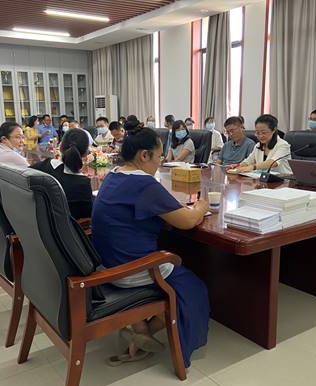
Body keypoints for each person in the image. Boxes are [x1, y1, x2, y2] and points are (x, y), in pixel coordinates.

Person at [91, 123, 210, 367]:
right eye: (158, 157)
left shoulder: (113, 175)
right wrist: (202, 206)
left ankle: (140, 330)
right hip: (131, 269)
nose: (160, 162)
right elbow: (188, 221)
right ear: (144, 155)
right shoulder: (144, 184)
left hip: (107, 263)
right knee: (195, 289)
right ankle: (147, 333)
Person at [31, 128, 93, 219]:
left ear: (60, 146)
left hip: (36, 221)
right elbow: (87, 214)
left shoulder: (41, 166)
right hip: (68, 227)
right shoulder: (83, 183)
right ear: (86, 152)